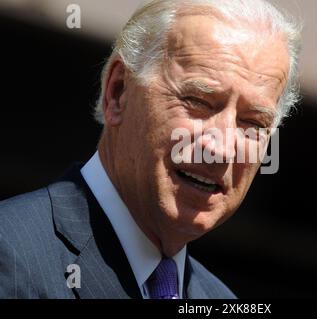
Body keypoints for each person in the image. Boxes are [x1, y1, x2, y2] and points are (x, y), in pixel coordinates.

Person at [0, 0, 301, 299]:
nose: (221, 149)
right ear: (118, 92)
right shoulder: (12, 257)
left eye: (253, 123)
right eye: (198, 101)